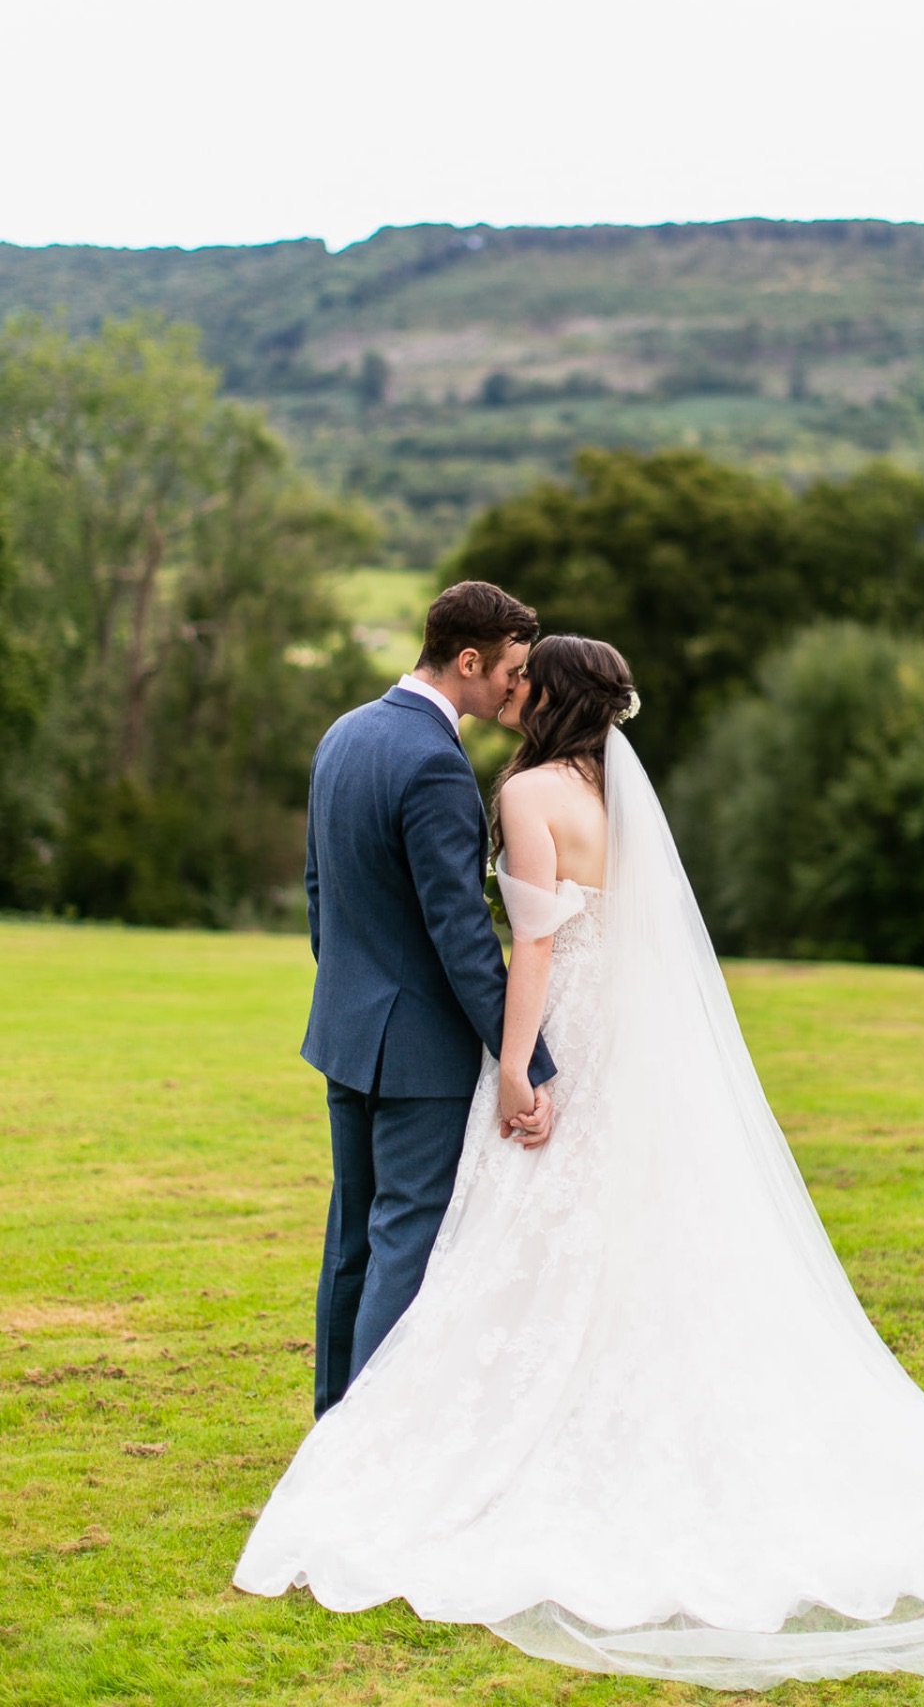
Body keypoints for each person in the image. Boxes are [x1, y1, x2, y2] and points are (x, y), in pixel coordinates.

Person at [236, 634, 924, 1688]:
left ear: (551, 696)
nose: (514, 693)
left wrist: (518, 1065)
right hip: (627, 1041)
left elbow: (538, 948)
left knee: (504, 1235)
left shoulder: (525, 795)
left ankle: (397, 1447)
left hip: (563, 1033)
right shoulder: (610, 794)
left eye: (528, 682)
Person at [300, 580, 555, 1421]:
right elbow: (463, 938)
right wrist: (527, 1060)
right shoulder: (438, 766)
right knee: (403, 1246)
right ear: (469, 661)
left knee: (350, 1246)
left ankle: (331, 1428)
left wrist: (349, 995)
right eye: (511, 671)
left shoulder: (344, 734)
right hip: (419, 1055)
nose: (517, 688)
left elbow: (318, 893)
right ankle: (365, 1454)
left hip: (345, 1032)